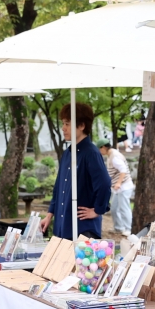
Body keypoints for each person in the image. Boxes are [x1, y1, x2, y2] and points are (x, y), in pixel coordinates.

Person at [40, 103, 110, 240]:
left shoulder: (91, 153)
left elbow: (104, 183)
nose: (63, 128)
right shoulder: (67, 153)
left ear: (82, 125)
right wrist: (49, 215)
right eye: (63, 123)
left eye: (67, 123)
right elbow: (58, 188)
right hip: (63, 226)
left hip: (83, 228)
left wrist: (98, 210)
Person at [99, 142, 134, 235]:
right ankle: (118, 227)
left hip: (124, 186)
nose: (99, 152)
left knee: (124, 208)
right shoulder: (111, 155)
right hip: (118, 189)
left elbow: (123, 170)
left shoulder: (114, 157)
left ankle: (129, 229)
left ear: (103, 147)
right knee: (114, 208)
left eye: (99, 149)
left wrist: (118, 182)